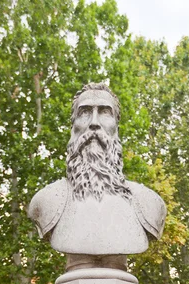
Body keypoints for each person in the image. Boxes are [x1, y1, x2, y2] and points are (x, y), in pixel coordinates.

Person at [28, 82, 166, 271]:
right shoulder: (46, 201)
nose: (94, 122)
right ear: (73, 126)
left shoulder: (148, 204)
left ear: (116, 126)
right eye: (84, 112)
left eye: (104, 112)